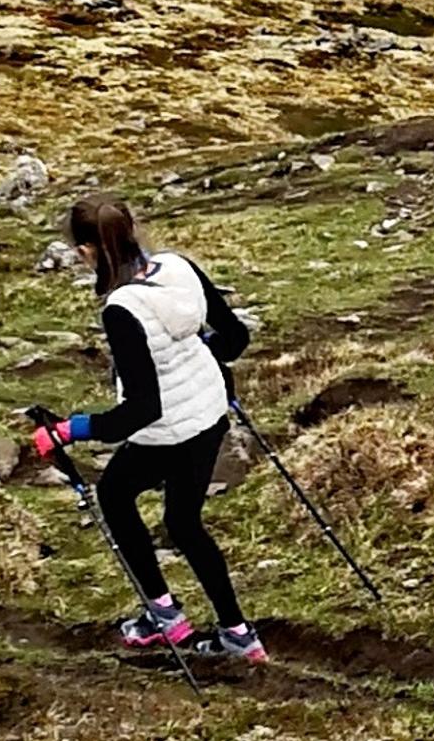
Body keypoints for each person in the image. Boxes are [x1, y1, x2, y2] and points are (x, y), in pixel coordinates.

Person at [22, 193, 268, 663]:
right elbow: (234, 338)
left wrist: (69, 430)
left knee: (114, 495)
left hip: (168, 429)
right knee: (183, 522)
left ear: (87, 252)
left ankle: (164, 618)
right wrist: (198, 363)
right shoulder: (179, 267)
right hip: (209, 413)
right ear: (132, 230)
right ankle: (238, 635)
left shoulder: (122, 309)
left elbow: (139, 412)